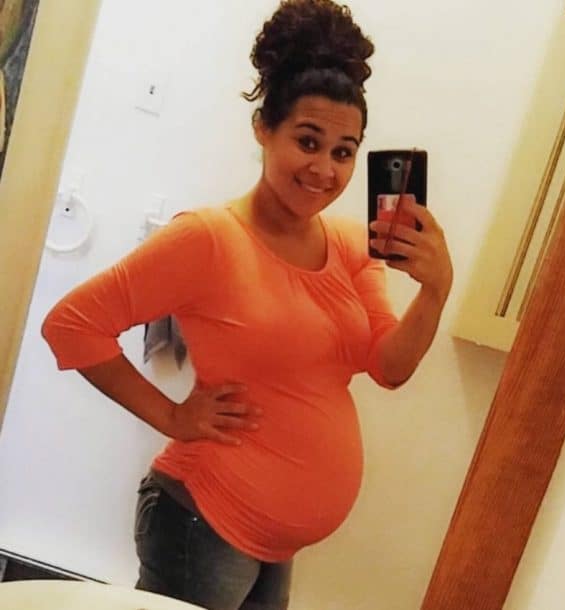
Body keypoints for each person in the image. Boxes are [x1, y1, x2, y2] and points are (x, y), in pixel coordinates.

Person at [41, 1, 453, 609]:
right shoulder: (208, 239)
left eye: (343, 152)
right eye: (307, 141)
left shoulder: (349, 247)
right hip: (203, 521)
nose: (324, 169)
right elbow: (72, 326)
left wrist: (435, 290)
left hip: (275, 544)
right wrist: (173, 417)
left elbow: (389, 367)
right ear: (264, 128)